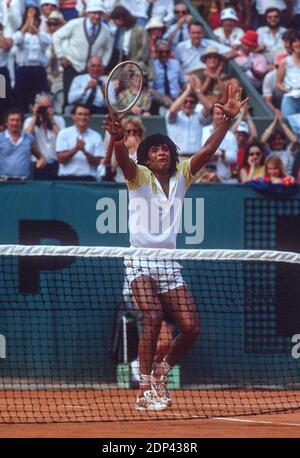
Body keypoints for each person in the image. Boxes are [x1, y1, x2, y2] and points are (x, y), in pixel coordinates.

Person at [103, 80, 248, 411]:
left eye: (165, 148)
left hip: (169, 263)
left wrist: (226, 121)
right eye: (154, 150)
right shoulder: (137, 175)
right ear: (147, 158)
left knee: (192, 328)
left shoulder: (184, 173)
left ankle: (160, 372)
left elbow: (208, 150)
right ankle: (143, 390)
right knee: (152, 316)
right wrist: (118, 138)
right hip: (139, 261)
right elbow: (123, 159)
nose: (161, 151)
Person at [52, 0, 113, 109]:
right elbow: (56, 36)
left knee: (93, 99)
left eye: (99, 13)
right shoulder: (75, 24)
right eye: (94, 13)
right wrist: (61, 56)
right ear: (88, 13)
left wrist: (103, 64)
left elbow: (108, 49)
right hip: (72, 66)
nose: (97, 16)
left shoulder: (106, 30)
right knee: (69, 99)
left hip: (91, 70)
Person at [56, 103, 104, 180]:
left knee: (122, 192)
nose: (83, 117)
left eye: (86, 114)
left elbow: (98, 162)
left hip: (89, 179)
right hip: (66, 180)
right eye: (80, 114)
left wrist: (84, 151)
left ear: (90, 117)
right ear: (73, 116)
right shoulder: (63, 133)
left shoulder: (96, 136)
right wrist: (76, 149)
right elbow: (61, 159)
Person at [23, 92, 65, 179]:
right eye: (42, 107)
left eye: (47, 107)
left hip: (56, 163)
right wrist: (35, 116)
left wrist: (52, 120)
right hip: (38, 164)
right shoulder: (29, 121)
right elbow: (26, 137)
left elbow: (63, 138)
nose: (44, 110)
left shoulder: (59, 120)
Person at [0, 107, 47, 179]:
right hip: (3, 182)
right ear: (6, 122)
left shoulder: (29, 138)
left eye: (17, 120)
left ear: (21, 122)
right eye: (12, 120)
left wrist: (41, 162)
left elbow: (41, 157)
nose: (15, 123)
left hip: (23, 182)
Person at [277, 30, 300, 118]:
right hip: (290, 100)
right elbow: (278, 83)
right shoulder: (285, 62)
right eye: (294, 41)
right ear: (291, 44)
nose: (298, 44)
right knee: (289, 128)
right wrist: (288, 90)